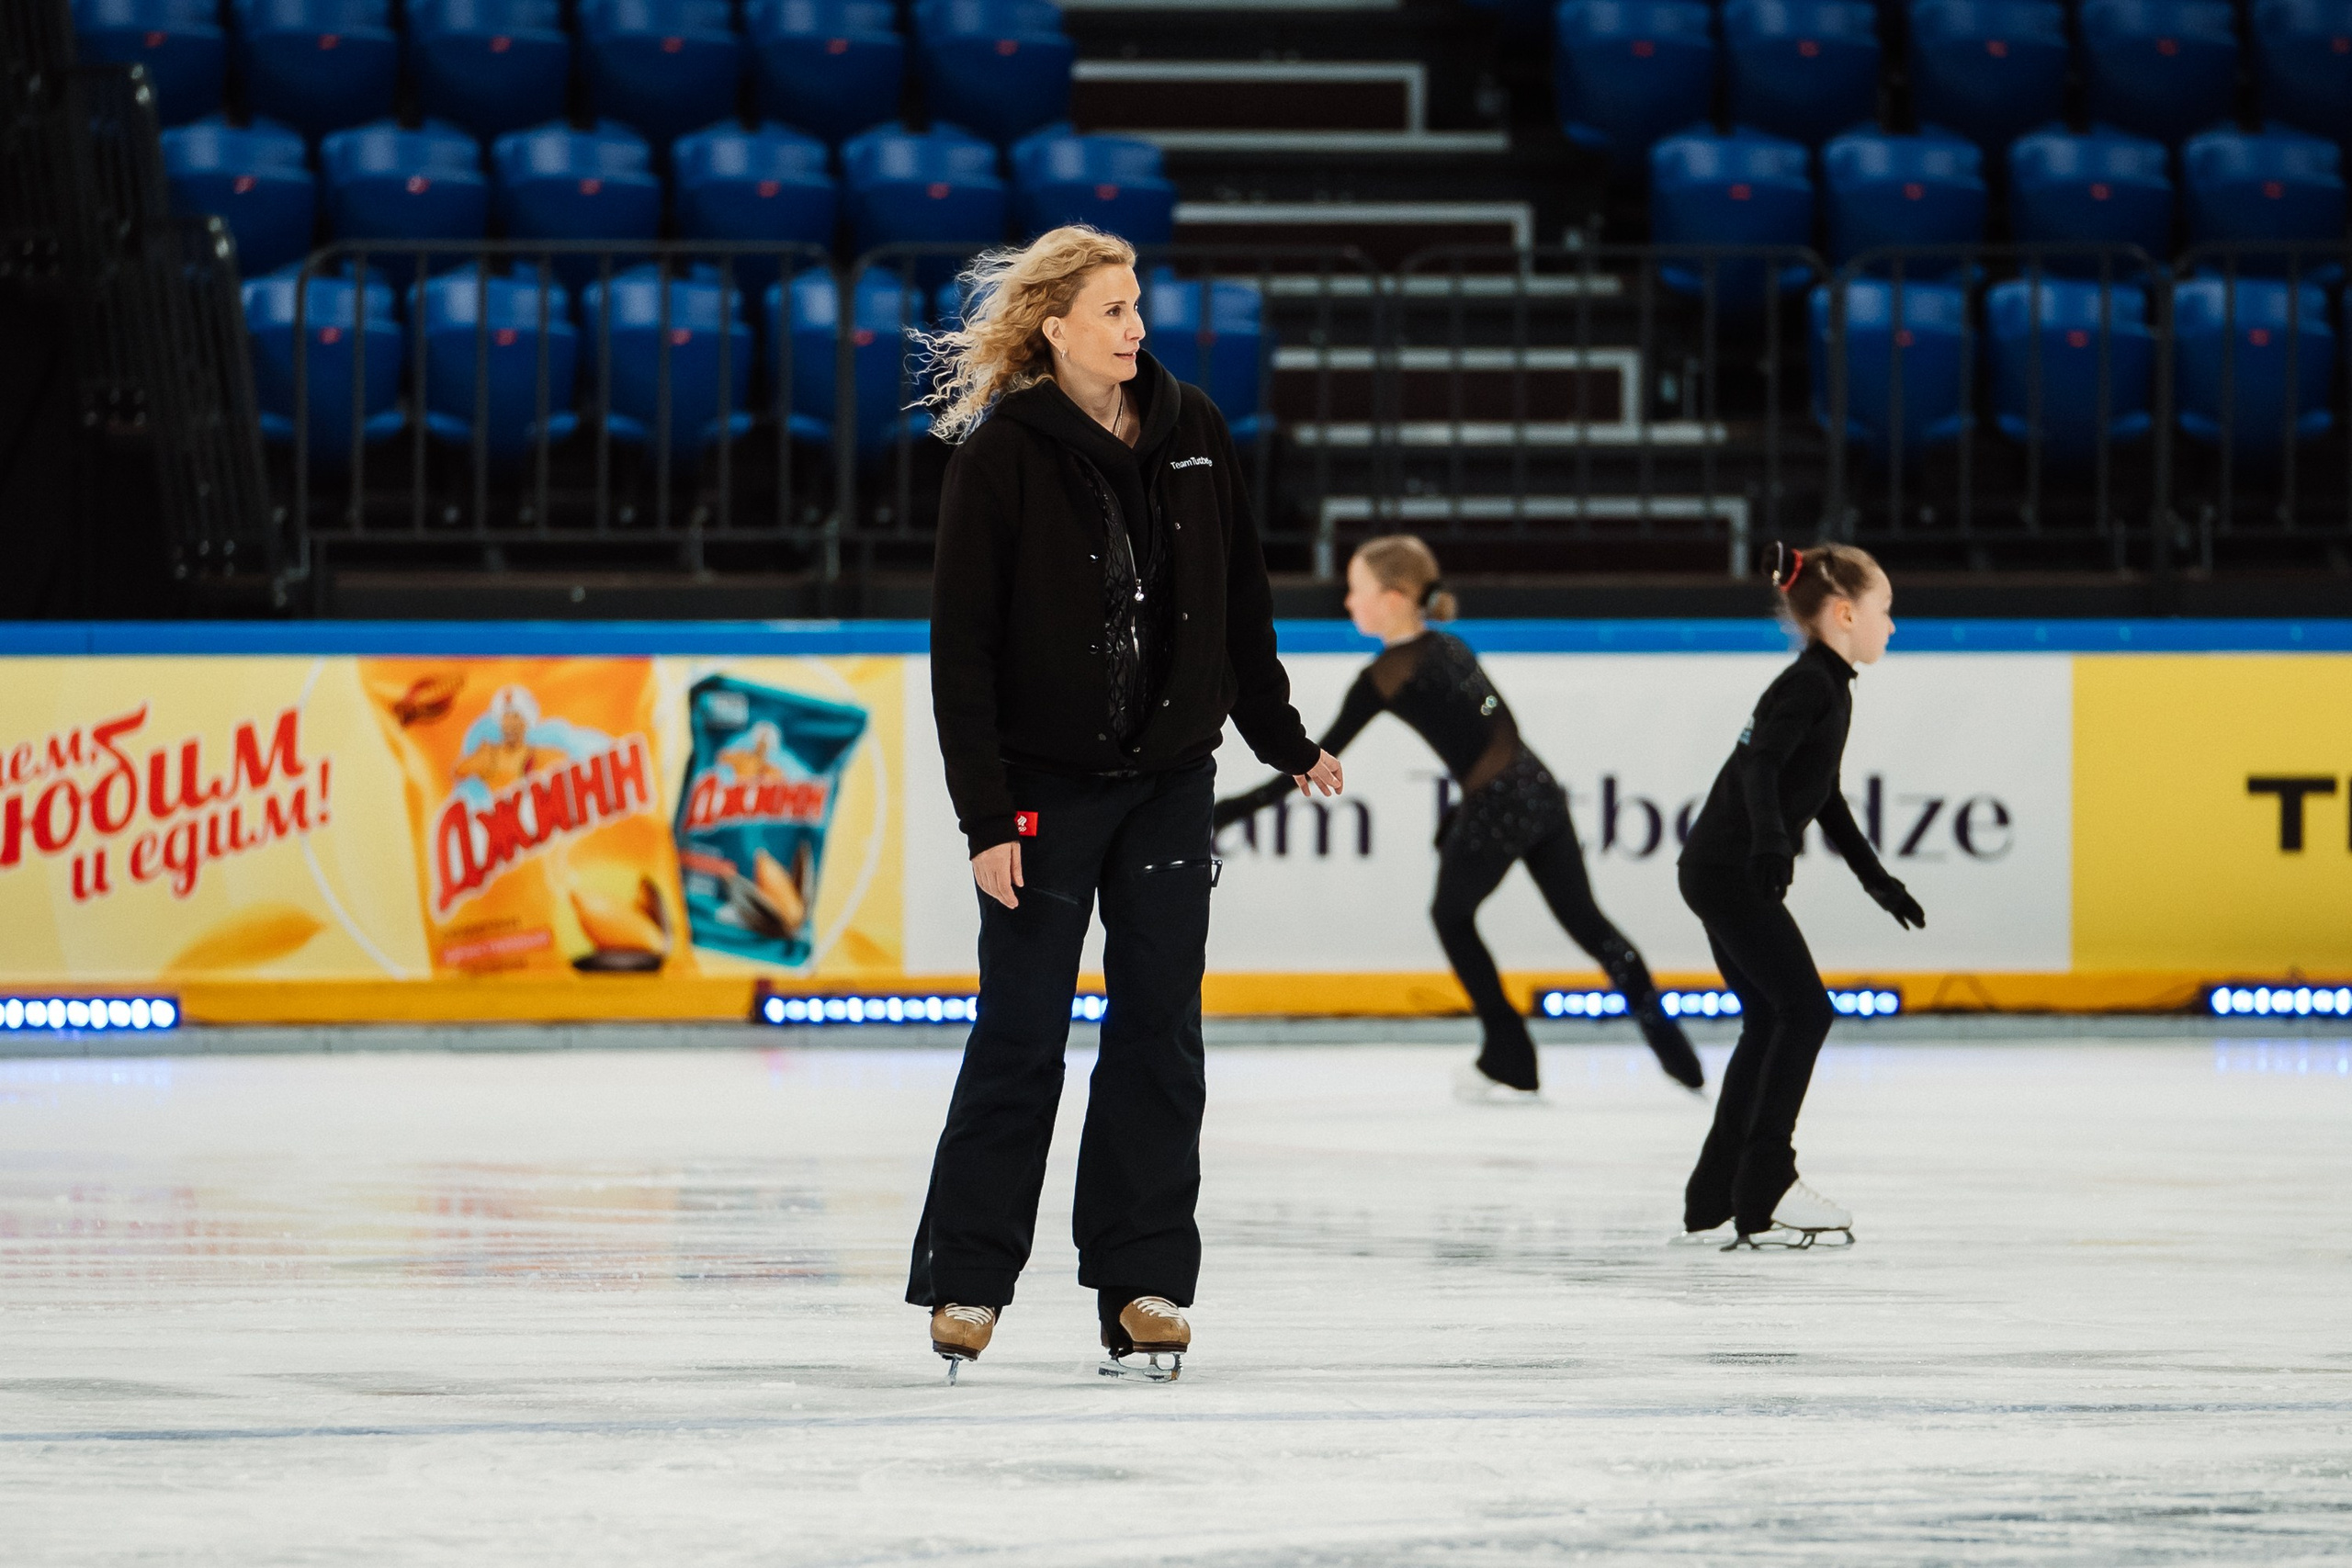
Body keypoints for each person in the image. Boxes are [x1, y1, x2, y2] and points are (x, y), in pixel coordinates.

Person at [909, 226, 1344, 1382]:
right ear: (1054, 328)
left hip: (1168, 785)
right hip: (1044, 794)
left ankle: (1142, 1284)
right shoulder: (998, 455)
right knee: (1021, 1035)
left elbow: (1239, 597)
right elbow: (963, 654)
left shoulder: (1192, 429)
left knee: (1160, 1034)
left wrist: (1284, 739)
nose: (1137, 327)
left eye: (1137, 304)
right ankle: (967, 1281)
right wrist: (987, 818)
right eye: (1112, 309)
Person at [1215, 536, 1704, 1102]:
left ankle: (1510, 1052)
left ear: (1395, 596)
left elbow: (1309, 762)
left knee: (1451, 916)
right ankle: (1675, 1052)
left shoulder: (1386, 676)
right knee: (1588, 924)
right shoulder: (1451, 646)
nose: (1348, 603)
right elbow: (1499, 732)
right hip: (1539, 791)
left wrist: (1232, 809)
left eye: (1356, 591)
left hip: (1500, 802)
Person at [1673, 542, 1924, 1250]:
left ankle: (1713, 1196)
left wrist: (1876, 879)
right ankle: (1765, 1183)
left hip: (1716, 866)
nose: (1892, 626)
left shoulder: (1827, 685)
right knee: (1805, 1010)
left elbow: (1823, 794)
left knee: (1770, 1018)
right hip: (1727, 868)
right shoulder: (1810, 685)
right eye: (1886, 610)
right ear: (1845, 613)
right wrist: (1769, 843)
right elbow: (1760, 768)